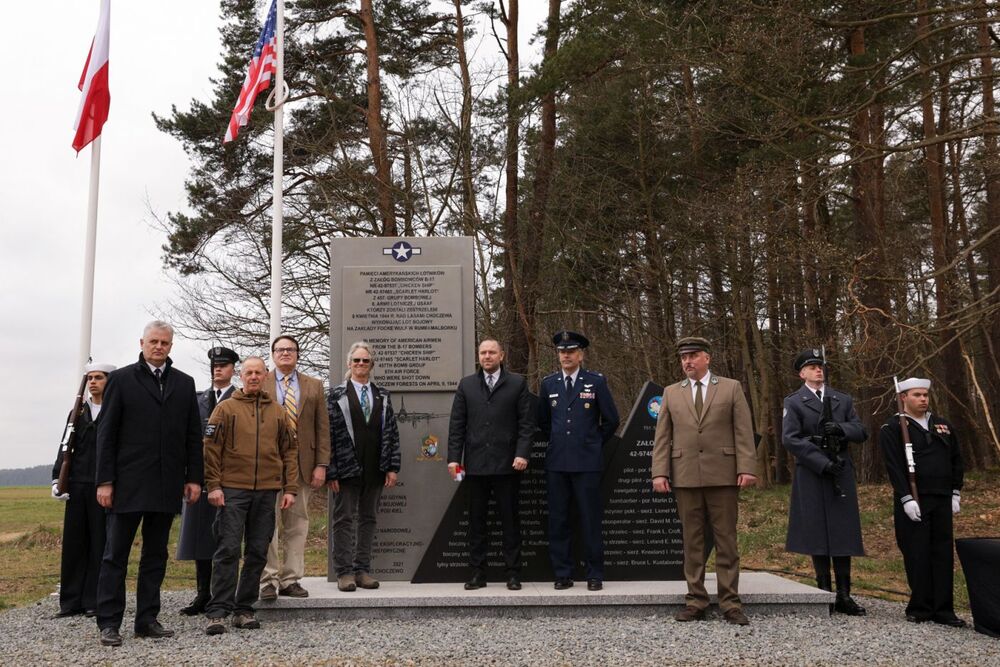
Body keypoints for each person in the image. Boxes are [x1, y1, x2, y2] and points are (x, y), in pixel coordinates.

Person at [94, 321, 203, 646]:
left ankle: (147, 620)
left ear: (171, 346)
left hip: (166, 484)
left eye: (164, 343)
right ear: (142, 343)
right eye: (153, 341)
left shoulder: (184, 383)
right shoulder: (121, 380)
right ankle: (109, 622)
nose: (158, 347)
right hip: (127, 484)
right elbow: (106, 434)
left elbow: (192, 435)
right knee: (115, 555)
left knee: (155, 556)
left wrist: (194, 478)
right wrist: (105, 481)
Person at [651, 336, 757, 626]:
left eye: (693, 356)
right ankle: (696, 601)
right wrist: (659, 472)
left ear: (707, 358)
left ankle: (730, 603)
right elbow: (662, 437)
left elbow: (743, 430)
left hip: (723, 474)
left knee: (726, 540)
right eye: (684, 357)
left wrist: (747, 467)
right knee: (692, 541)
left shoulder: (731, 388)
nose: (687, 361)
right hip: (685, 475)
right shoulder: (671, 392)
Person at [202, 357, 298, 635]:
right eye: (249, 373)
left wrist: (290, 488)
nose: (254, 377)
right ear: (241, 376)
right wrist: (214, 485)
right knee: (228, 549)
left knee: (257, 551)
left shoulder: (278, 411)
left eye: (258, 372)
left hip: (266, 492)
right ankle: (218, 611)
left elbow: (290, 451)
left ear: (266, 375)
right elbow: (210, 448)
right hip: (233, 490)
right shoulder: (225, 408)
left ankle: (243, 609)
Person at [782, 349, 868, 615]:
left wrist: (841, 429)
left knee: (843, 531)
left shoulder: (841, 399)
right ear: (802, 373)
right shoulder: (794, 402)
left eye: (820, 366)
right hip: (812, 470)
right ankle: (824, 592)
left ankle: (844, 594)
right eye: (812, 367)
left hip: (840, 468)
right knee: (817, 531)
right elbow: (791, 438)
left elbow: (860, 430)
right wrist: (821, 462)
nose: (818, 370)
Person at [448, 338, 535, 591]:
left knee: (510, 521)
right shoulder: (466, 385)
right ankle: (478, 573)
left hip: (508, 466)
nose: (487, 356)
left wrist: (522, 454)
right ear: (478, 356)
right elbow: (457, 426)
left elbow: (526, 424)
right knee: (476, 522)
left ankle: (513, 573)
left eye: (492, 352)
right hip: (474, 467)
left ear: (502, 356)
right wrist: (454, 459)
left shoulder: (517, 383)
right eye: (483, 353)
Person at [879, 377, 965, 627]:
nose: (923, 399)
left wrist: (955, 491)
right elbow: (894, 466)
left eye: (925, 395)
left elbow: (956, 459)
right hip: (914, 499)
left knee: (942, 553)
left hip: (941, 497)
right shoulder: (892, 427)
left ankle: (944, 609)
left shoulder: (942, 425)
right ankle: (920, 607)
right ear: (903, 397)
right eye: (917, 395)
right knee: (917, 552)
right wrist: (905, 497)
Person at [537, 330, 620, 592]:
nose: (566, 356)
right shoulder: (549, 384)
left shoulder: (595, 382)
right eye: (562, 352)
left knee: (590, 519)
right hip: (557, 463)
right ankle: (563, 573)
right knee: (558, 520)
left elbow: (612, 420)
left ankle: (594, 574)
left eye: (571, 351)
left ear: (580, 355)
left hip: (587, 463)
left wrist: (592, 442)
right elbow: (543, 422)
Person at [260, 334, 331, 600]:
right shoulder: (261, 382)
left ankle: (290, 579)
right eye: (280, 349)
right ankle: (268, 580)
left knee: (297, 524)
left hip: (303, 465)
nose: (285, 353)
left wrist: (321, 464)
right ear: (273, 354)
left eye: (290, 349)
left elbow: (322, 427)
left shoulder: (314, 385)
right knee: (267, 524)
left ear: (298, 354)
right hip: (267, 465)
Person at [326, 341, 400, 592]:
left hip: (375, 468)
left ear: (371, 364)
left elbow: (392, 433)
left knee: (368, 519)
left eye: (365, 360)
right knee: (343, 520)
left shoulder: (383, 395)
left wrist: (392, 467)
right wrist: (331, 470)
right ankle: (344, 572)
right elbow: (327, 435)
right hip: (346, 469)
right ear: (349, 363)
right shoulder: (336, 395)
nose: (360, 364)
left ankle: (362, 570)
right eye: (356, 360)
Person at [176, 346, 239, 616]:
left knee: (227, 539)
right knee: (200, 536)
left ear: (232, 369)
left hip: (231, 478)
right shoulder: (198, 399)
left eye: (223, 365)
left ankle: (225, 594)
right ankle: (203, 593)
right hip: (201, 477)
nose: (218, 369)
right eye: (215, 365)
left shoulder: (240, 399)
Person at [51, 361, 116, 618]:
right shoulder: (77, 413)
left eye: (99, 377)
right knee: (74, 544)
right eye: (90, 378)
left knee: (99, 544)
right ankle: (70, 601)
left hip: (103, 486)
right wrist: (57, 479)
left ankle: (94, 600)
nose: (93, 382)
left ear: (109, 381)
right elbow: (65, 447)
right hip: (77, 485)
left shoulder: (116, 411)